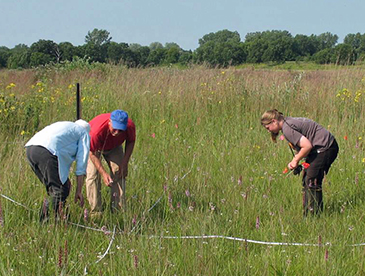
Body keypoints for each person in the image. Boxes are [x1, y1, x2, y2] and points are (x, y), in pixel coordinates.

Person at [261, 109, 339, 215]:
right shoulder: (287, 122)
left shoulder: (287, 128)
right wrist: (298, 158)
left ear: (274, 121)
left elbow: (307, 146)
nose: (268, 130)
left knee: (312, 180)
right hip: (322, 147)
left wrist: (295, 160)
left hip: (326, 147)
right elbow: (305, 147)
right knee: (307, 178)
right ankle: (309, 213)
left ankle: (314, 215)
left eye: (268, 127)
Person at [25, 120, 90, 221]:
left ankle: (55, 218)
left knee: (56, 189)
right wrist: (78, 191)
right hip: (47, 151)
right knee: (60, 191)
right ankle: (45, 221)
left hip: (31, 149)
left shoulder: (65, 126)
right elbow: (81, 164)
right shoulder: (83, 133)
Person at [86, 110, 136, 217]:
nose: (117, 132)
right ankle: (96, 212)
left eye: (121, 130)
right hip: (94, 149)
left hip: (114, 147)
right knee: (92, 175)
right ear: (109, 122)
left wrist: (124, 162)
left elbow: (131, 141)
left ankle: (118, 210)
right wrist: (104, 173)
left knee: (120, 172)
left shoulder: (130, 126)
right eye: (115, 128)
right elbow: (92, 153)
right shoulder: (96, 131)